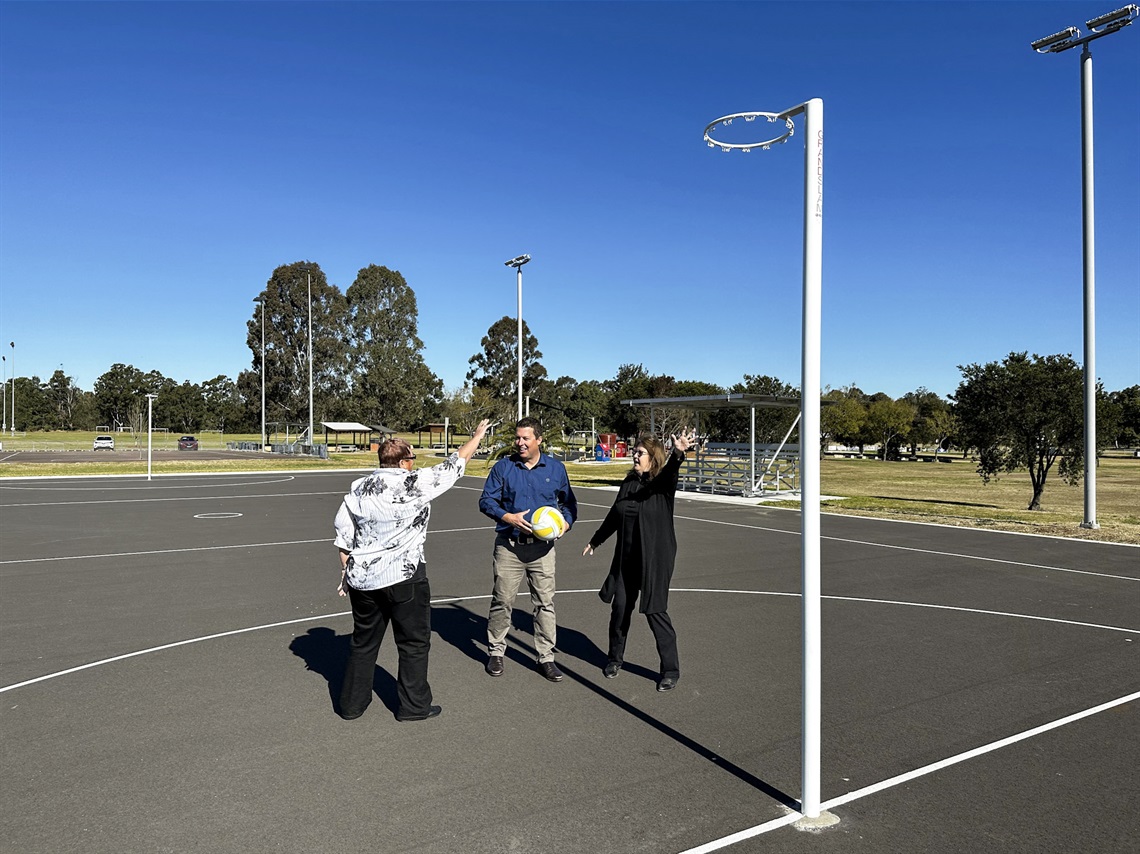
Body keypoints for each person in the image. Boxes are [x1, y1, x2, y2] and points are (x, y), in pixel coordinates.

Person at [334, 419, 491, 722]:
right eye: (412, 459)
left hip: (364, 578)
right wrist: (477, 436)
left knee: (363, 643)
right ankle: (413, 706)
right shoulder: (416, 482)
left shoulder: (358, 489)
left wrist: (346, 574)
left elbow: (343, 535)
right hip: (405, 576)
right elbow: (457, 461)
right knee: (413, 643)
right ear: (405, 461)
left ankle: (351, 705)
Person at [583, 429, 696, 692]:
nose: (634, 455)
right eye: (634, 451)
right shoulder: (628, 483)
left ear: (652, 458)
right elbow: (615, 514)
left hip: (655, 560)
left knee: (656, 611)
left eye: (640, 453)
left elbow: (670, 472)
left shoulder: (662, 486)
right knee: (620, 608)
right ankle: (614, 659)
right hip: (627, 560)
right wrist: (596, 540)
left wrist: (678, 453)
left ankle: (670, 669)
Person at [479, 416, 578, 682]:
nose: (519, 443)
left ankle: (546, 657)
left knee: (545, 603)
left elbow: (569, 505)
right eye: (517, 437)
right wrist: (506, 517)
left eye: (525, 438)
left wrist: (565, 525)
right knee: (502, 601)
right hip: (509, 547)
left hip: (542, 550)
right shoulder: (504, 467)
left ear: (539, 440)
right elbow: (486, 500)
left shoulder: (556, 469)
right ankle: (496, 651)